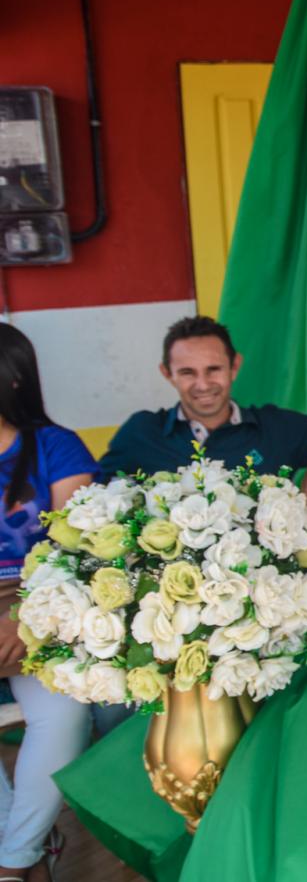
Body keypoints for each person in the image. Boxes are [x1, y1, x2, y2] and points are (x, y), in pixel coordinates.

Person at [0, 326, 95, 882]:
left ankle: (12, 866)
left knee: (62, 714)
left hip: (40, 602)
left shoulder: (57, 447)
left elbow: (73, 548)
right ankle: (22, 849)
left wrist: (21, 609)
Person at [97, 316, 307, 511]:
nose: (203, 385)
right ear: (167, 374)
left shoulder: (274, 427)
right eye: (188, 372)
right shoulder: (142, 432)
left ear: (234, 366)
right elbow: (98, 500)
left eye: (213, 369)